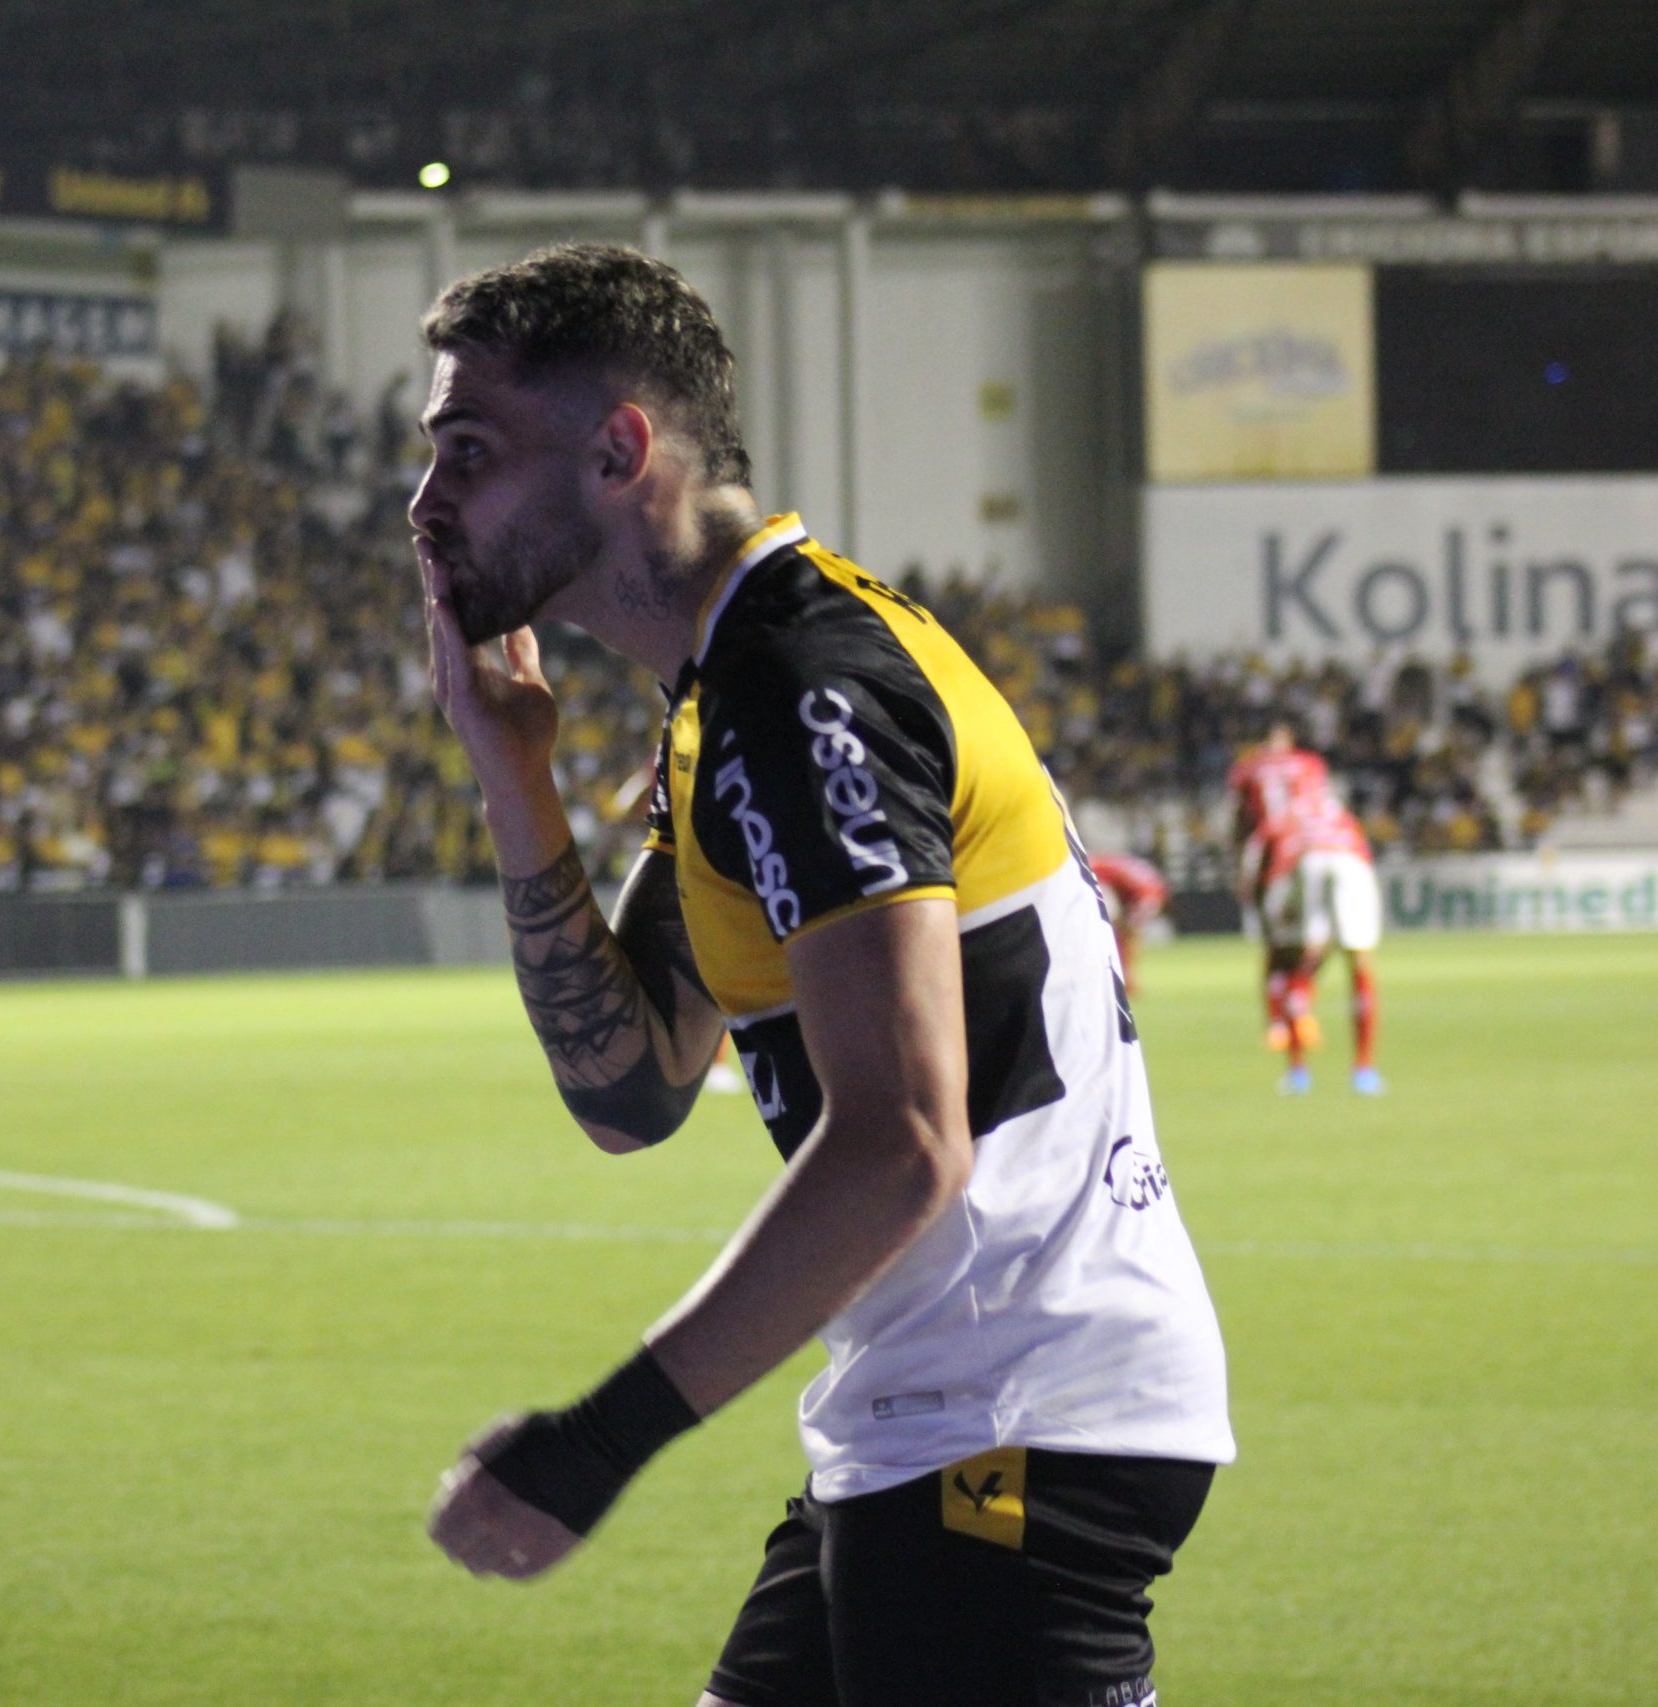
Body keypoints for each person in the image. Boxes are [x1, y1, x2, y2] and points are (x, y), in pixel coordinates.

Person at [409, 243, 1232, 1707]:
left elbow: (905, 1141)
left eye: (469, 452)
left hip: (1015, 1427)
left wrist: (591, 1445)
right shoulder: (731, 697)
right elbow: (635, 1081)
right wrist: (514, 779)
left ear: (619, 451)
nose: (428, 505)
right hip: (934, 1419)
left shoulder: (803, 687)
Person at [1253, 787, 1384, 1096]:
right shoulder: (1339, 812)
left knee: (1303, 960)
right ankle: (1364, 1070)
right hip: (1352, 864)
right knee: (1360, 962)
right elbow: (1363, 850)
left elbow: (1259, 855)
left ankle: (1298, 1071)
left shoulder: (1286, 813)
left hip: (1307, 862)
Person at [1226, 721, 1330, 1051]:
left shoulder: (1248, 769)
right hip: (1305, 854)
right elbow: (1321, 808)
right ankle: (1299, 1007)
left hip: (1267, 858)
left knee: (1277, 945)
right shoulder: (1310, 764)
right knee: (1315, 942)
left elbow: (1239, 821)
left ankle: (1276, 1022)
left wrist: (1241, 866)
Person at [1087, 849, 1169, 989]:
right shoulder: (1151, 895)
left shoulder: (1151, 889)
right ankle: (1120, 978)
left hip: (1097, 873)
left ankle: (1121, 977)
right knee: (1116, 932)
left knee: (1122, 933)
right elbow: (1132, 925)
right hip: (1095, 875)